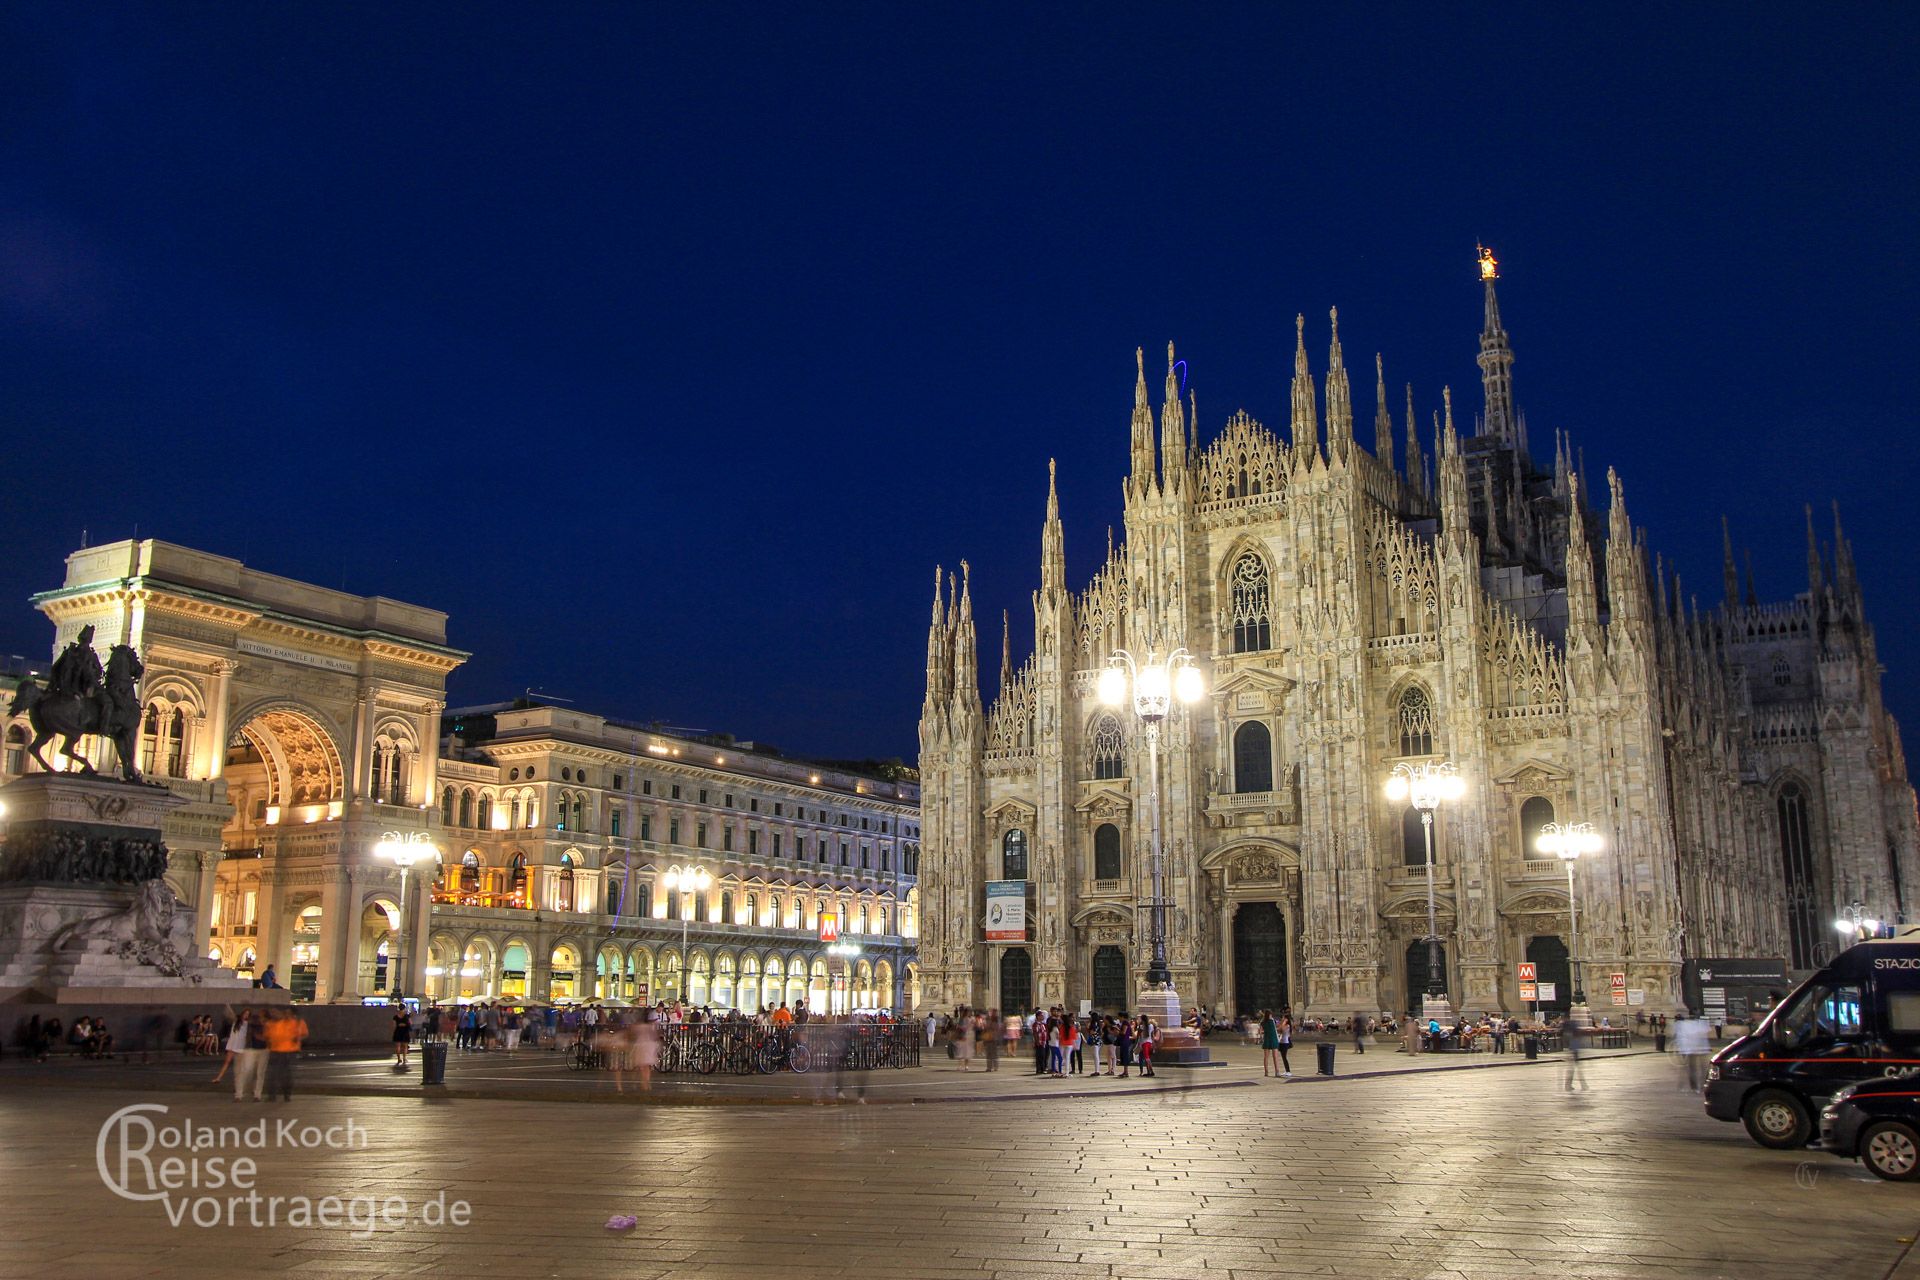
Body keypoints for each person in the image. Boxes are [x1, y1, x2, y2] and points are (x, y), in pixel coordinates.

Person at [264, 1007, 309, 1101]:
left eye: (288, 1013)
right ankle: (272, 1096)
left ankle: (286, 1094)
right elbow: (267, 1036)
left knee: (287, 1074)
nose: (273, 1014)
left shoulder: (297, 1022)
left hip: (290, 1051)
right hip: (275, 1051)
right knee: (273, 1074)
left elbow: (304, 1034)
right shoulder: (271, 1023)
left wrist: (298, 1039)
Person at [234, 1011, 269, 1101]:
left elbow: (267, 1038)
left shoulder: (267, 1025)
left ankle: (257, 1095)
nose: (259, 1020)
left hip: (264, 1050)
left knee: (260, 1073)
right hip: (251, 1050)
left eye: (261, 1018)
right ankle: (239, 1095)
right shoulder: (249, 1026)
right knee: (246, 1072)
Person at [1674, 1009, 1711, 1091]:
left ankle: (1697, 1086)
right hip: (1694, 1049)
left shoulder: (1683, 1024)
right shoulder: (1695, 1024)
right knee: (1697, 1069)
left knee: (1697, 1069)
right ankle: (1697, 1086)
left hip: (1694, 1049)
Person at [1260, 1009, 1281, 1078]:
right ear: (1270, 1015)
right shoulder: (1272, 1021)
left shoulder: (1262, 1022)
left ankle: (1266, 1072)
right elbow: (1277, 1025)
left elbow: (1261, 1031)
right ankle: (1277, 1071)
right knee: (1275, 1056)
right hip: (1273, 1039)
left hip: (1267, 1039)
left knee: (1266, 1057)